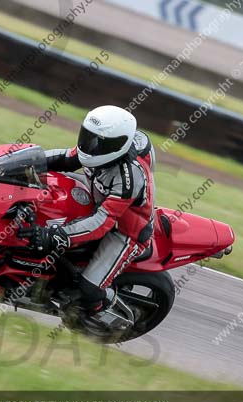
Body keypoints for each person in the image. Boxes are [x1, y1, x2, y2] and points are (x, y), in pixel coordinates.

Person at [18, 105, 156, 315]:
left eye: (100, 142)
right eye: (89, 137)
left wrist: (57, 235)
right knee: (41, 184)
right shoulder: (98, 150)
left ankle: (102, 310)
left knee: (89, 289)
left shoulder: (129, 178)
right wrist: (27, 161)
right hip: (96, 193)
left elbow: (103, 222)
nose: (91, 145)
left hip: (124, 230)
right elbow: (65, 158)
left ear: (118, 145)